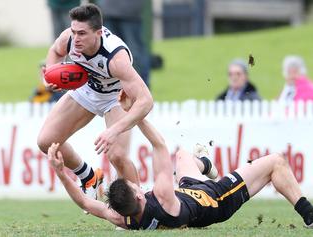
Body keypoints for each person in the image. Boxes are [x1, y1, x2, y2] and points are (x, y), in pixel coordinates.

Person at [48, 90, 313, 230]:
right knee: (276, 161)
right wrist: (134, 113)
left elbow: (84, 200)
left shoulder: (123, 220)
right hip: (215, 199)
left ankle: (205, 165)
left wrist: (62, 172)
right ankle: (308, 214)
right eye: (136, 187)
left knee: (183, 156)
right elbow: (159, 144)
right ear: (139, 195)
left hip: (187, 193)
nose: (139, 187)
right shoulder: (162, 194)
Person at [37, 4, 153, 200]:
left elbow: (146, 101)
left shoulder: (116, 58)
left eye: (82, 33)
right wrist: (50, 76)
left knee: (117, 156)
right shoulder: (69, 38)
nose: (76, 38)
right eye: (74, 32)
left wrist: (114, 130)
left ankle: (139, 208)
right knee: (46, 142)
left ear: (98, 32)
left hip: (116, 98)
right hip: (87, 90)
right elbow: (55, 51)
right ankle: (88, 177)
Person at [96, 0, 151, 87]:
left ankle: (142, 90)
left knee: (136, 54)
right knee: (109, 53)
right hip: (109, 11)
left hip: (129, 13)